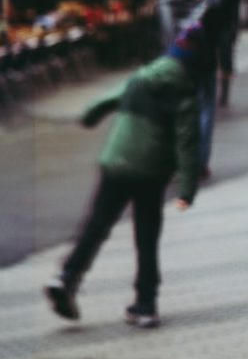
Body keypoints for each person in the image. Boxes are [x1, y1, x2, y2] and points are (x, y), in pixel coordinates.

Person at [44, 24, 205, 329]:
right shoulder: (185, 93)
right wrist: (187, 190)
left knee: (97, 224)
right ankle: (145, 304)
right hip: (151, 172)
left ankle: (67, 276)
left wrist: (89, 117)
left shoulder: (142, 78)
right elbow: (187, 145)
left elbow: (104, 100)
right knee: (146, 237)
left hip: (116, 161)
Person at [158, 0, 223, 179]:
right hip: (203, 63)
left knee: (178, 113)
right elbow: (218, 35)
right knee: (204, 112)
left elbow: (164, 34)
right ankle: (200, 162)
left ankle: (178, 161)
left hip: (175, 63)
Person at [210, 0, 241, 106]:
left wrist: (233, 29)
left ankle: (224, 92)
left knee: (225, 60)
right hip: (211, 29)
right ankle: (213, 90)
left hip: (225, 27)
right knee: (210, 59)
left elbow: (234, 10)